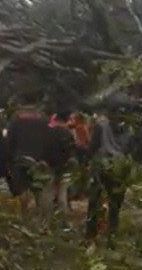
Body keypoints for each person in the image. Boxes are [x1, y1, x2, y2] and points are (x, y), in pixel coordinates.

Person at [85, 98, 133, 241]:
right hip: (120, 167)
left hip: (101, 165)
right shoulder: (129, 131)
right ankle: (112, 234)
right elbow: (130, 150)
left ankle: (90, 234)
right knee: (115, 202)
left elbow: (93, 147)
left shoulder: (101, 126)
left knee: (94, 200)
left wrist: (87, 161)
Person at [5, 93, 49, 214]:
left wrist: (8, 158)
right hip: (38, 158)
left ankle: (24, 215)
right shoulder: (43, 117)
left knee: (22, 189)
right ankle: (42, 217)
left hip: (19, 157)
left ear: (23, 102)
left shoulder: (16, 117)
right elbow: (48, 138)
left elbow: (10, 139)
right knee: (39, 189)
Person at [44, 110, 76, 218]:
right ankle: (63, 220)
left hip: (50, 165)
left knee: (49, 192)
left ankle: (47, 219)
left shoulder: (48, 132)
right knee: (62, 193)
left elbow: (44, 148)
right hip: (65, 166)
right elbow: (71, 150)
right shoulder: (68, 133)